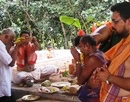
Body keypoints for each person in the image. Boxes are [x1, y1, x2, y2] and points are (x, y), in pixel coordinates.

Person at [93, 2, 130, 102]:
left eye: (115, 21)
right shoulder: (123, 43)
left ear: (129, 22)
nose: (112, 25)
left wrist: (109, 77)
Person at [70, 35, 107, 102]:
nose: (80, 50)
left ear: (87, 46)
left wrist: (77, 59)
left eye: (80, 47)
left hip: (96, 94)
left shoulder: (93, 59)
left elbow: (80, 81)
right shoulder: (99, 53)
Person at [0, 28, 17, 102]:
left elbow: (5, 56)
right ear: (6, 36)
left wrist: (10, 46)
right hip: (2, 87)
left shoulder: (2, 45)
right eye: (10, 40)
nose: (9, 43)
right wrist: (17, 47)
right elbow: (11, 63)